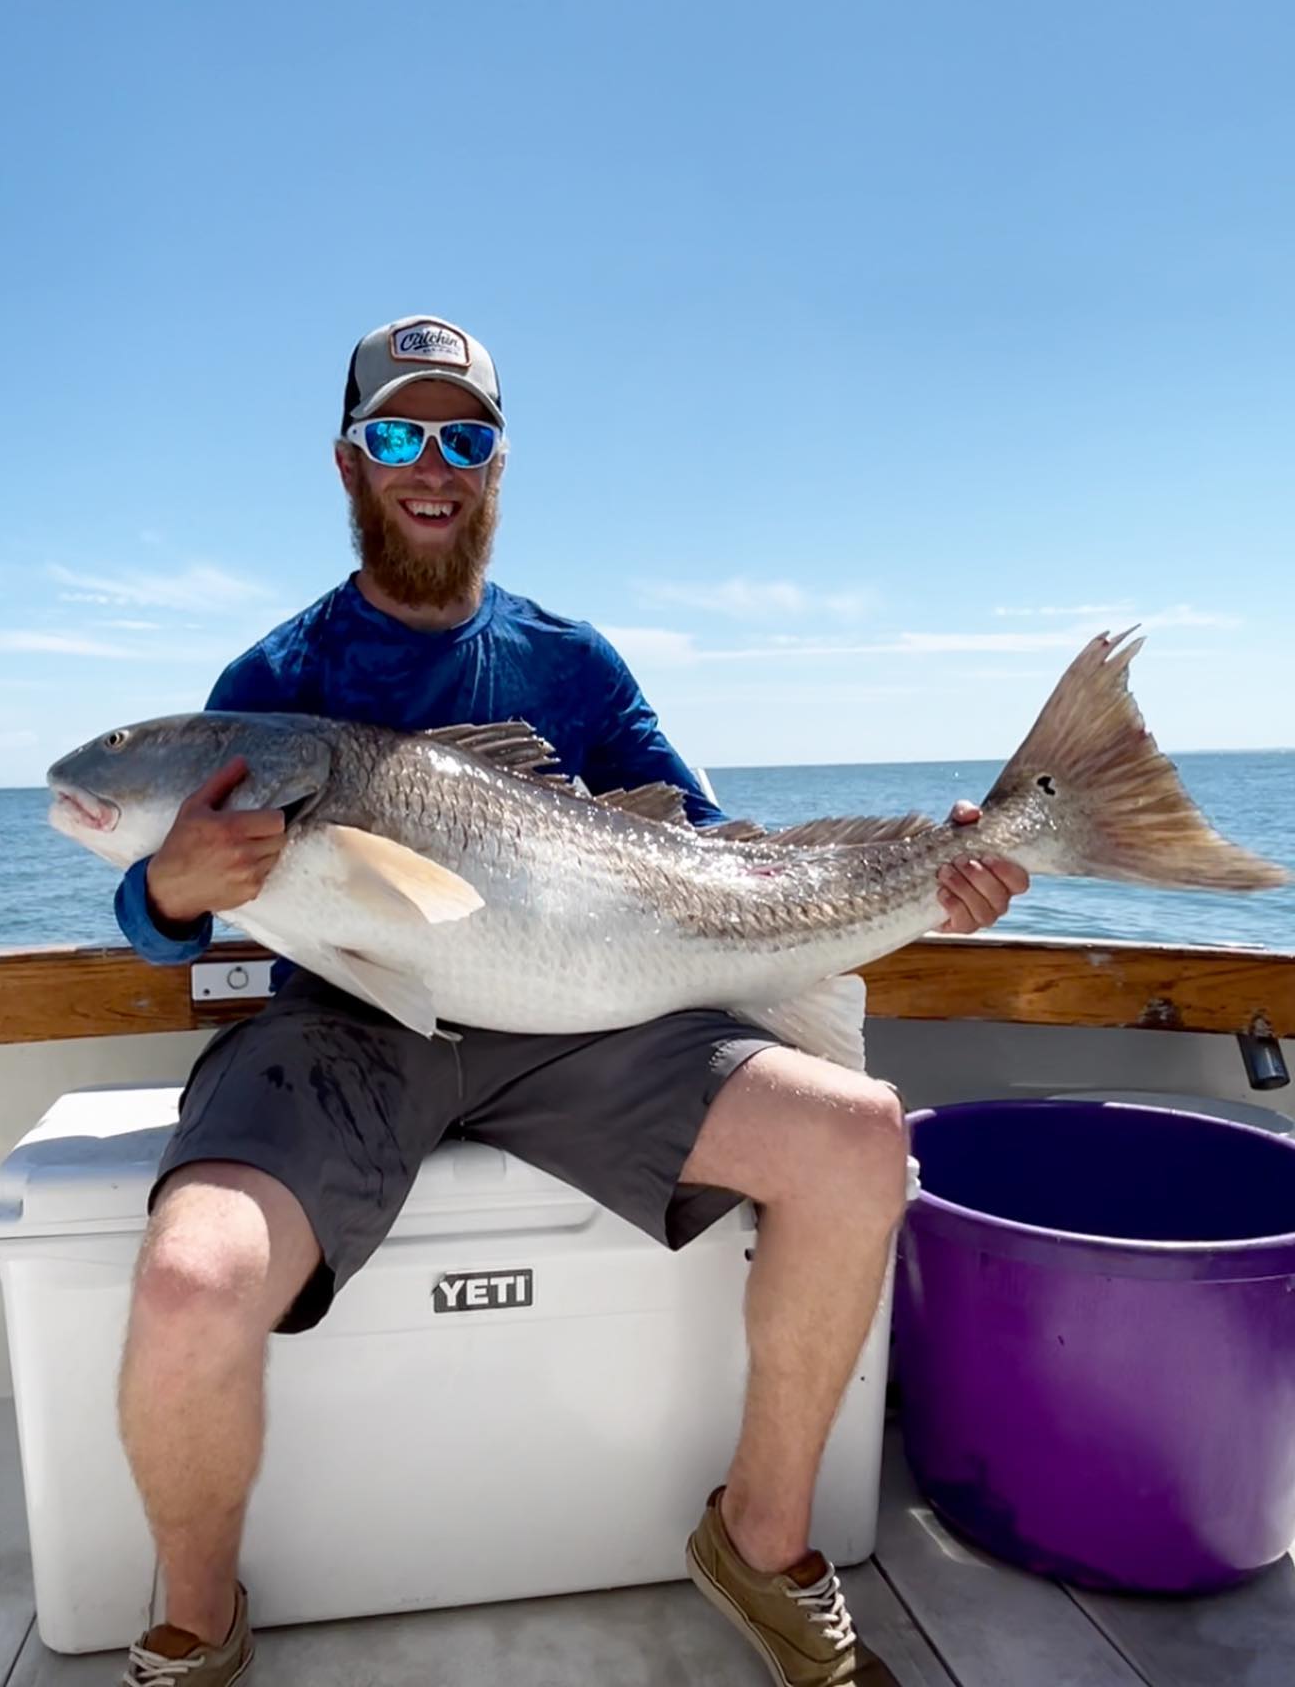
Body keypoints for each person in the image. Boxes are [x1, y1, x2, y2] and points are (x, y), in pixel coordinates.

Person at [112, 316, 1028, 1687]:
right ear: (350, 462)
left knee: (856, 1137)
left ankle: (762, 1540)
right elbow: (155, 924)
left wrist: (924, 868)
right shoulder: (272, 689)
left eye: (465, 437)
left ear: (496, 465)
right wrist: (169, 890)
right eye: (402, 435)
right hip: (349, 1033)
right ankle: (194, 1627)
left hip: (578, 1022)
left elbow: (715, 854)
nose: (436, 465)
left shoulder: (574, 662)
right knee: (190, 1279)